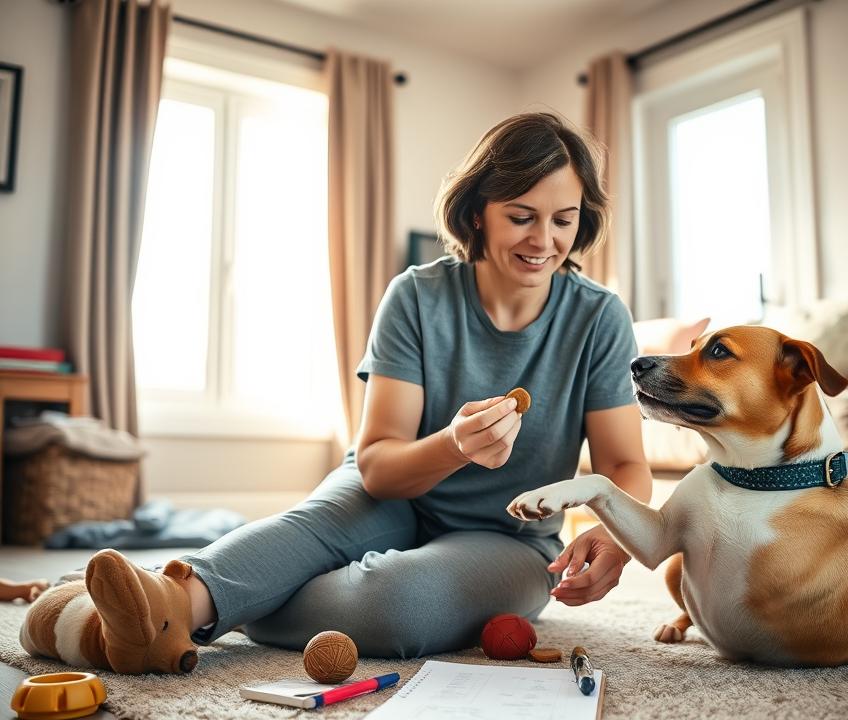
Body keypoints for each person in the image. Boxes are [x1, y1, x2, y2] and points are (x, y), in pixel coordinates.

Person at [144, 112, 650, 659]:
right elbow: (379, 467)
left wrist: (619, 537)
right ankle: (160, 610)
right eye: (521, 217)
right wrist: (455, 446)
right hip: (391, 497)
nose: (544, 240)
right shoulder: (416, 296)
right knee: (305, 532)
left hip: (511, 539)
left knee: (400, 604)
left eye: (563, 221)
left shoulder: (599, 317)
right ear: (477, 212)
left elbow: (623, 465)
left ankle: (224, 603)